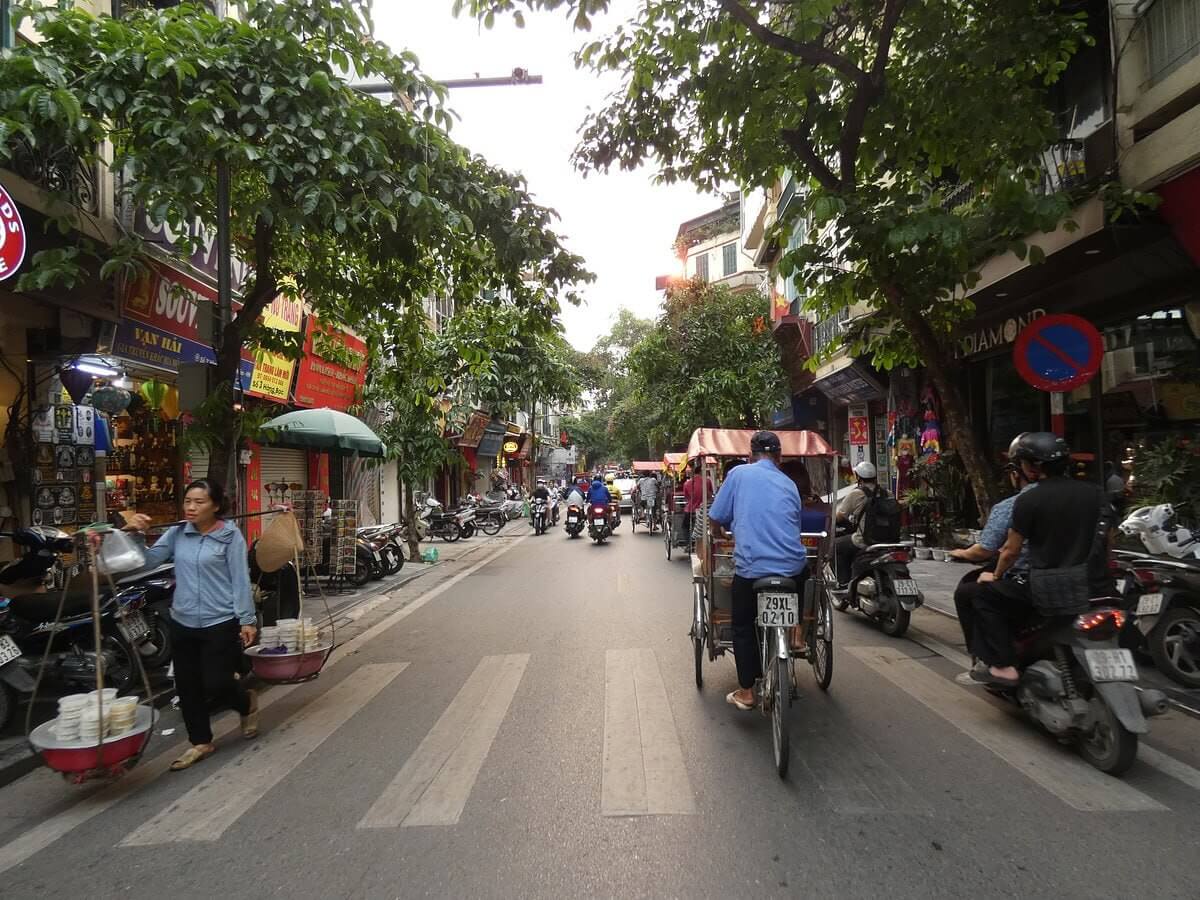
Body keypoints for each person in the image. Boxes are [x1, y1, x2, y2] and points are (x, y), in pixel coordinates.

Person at [121, 479, 257, 771]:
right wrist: (135, 535)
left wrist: (247, 618)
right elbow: (147, 562)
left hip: (219, 620)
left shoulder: (230, 536)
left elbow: (240, 579)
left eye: (199, 502)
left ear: (216, 506)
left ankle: (245, 703)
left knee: (217, 682)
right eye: (188, 501)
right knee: (187, 684)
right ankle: (201, 741)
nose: (191, 507)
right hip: (182, 619)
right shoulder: (177, 532)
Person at [970, 432, 1114, 686]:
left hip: (1050, 588)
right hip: (1098, 586)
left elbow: (1010, 551)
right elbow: (1107, 540)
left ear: (1030, 467)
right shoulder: (1095, 492)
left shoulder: (1028, 500)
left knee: (983, 595)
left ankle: (1003, 666)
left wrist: (995, 575)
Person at [708, 431, 810, 712]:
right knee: (804, 571)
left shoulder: (739, 474)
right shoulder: (789, 483)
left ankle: (746, 692)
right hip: (792, 568)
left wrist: (719, 531)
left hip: (752, 570)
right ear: (779, 456)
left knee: (742, 626)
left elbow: (716, 516)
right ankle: (795, 630)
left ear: (751, 454)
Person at [949, 463, 1036, 665]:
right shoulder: (1088, 497)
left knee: (971, 592)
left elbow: (1003, 551)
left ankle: (992, 659)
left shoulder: (1017, 504)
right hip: (1082, 578)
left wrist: (994, 574)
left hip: (1031, 580)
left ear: (1018, 473)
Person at [834, 461, 880, 587]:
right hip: (888, 540)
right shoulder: (886, 493)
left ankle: (843, 583)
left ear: (858, 477)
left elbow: (839, 516)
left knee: (835, 546)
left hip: (864, 540)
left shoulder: (856, 494)